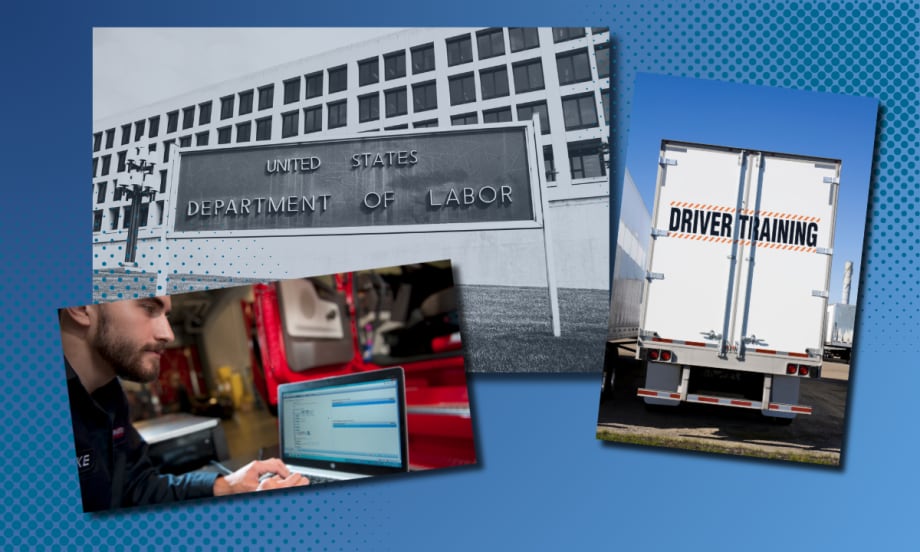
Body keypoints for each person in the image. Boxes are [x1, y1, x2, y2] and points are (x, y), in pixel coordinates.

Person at [60, 295, 308, 512]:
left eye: (166, 315)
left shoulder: (110, 397)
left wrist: (228, 485)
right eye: (148, 307)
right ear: (82, 307)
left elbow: (138, 488)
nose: (168, 334)